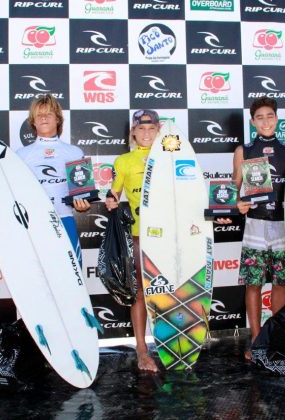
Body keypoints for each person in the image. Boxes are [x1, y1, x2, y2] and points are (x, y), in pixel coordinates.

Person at [219, 97, 285, 361]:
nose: (265, 121)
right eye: (259, 117)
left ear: (277, 118)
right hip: (256, 224)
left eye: (270, 116)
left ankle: (277, 336)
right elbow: (232, 188)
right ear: (252, 122)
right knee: (253, 283)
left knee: (280, 283)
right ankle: (257, 339)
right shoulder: (245, 150)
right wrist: (233, 205)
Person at [104, 109, 161, 372]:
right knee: (139, 293)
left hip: (169, 237)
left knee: (168, 292)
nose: (147, 133)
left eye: (152, 129)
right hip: (138, 236)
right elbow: (114, 193)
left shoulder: (172, 156)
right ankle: (142, 348)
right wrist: (110, 200)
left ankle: (173, 344)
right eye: (142, 129)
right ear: (134, 132)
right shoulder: (124, 161)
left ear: (159, 130)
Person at [16, 95, 90, 266]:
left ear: (58, 119)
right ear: (33, 121)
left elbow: (83, 194)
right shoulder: (21, 155)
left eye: (48, 114)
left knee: (73, 276)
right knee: (39, 276)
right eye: (39, 115)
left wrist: (83, 204)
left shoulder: (74, 152)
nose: (43, 118)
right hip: (35, 223)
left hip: (65, 219)